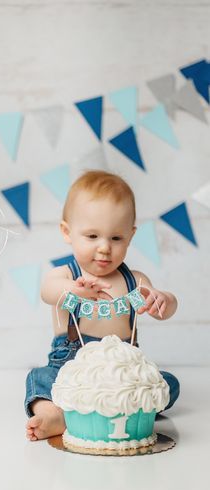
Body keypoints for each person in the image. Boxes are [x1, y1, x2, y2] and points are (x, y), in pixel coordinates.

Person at [25, 171, 179, 441]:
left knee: (168, 383)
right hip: (71, 364)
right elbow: (47, 291)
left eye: (116, 238)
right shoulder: (65, 275)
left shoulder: (137, 280)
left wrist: (163, 300)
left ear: (131, 236)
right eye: (92, 236)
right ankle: (55, 414)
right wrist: (73, 290)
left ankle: (124, 406)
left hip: (122, 369)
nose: (105, 248)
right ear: (67, 232)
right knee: (40, 379)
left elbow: (165, 309)